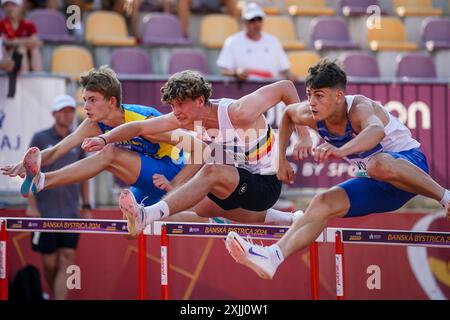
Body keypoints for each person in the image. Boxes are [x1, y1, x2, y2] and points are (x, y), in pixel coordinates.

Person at [223, 59, 450, 280]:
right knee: (322, 202)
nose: (311, 102)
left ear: (339, 96)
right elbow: (288, 114)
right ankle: (272, 257)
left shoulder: (359, 107)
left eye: (319, 96)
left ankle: (446, 197)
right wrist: (281, 158)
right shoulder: (311, 114)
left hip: (410, 166)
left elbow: (376, 131)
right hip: (380, 185)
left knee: (377, 163)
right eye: (309, 93)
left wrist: (342, 150)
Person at [82, 70, 307, 236]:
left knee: (211, 171)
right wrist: (104, 138)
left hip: (268, 182)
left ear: (200, 100)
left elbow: (286, 86)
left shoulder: (239, 112)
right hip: (244, 184)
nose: (175, 112)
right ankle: (288, 219)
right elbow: (139, 128)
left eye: (181, 104)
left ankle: (147, 215)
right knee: (202, 206)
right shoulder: (188, 118)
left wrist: (303, 137)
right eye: (172, 106)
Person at [0, 66, 207, 224]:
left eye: (92, 100)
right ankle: (209, 218)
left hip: (170, 170)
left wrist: (176, 185)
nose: (86, 106)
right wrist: (24, 165)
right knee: (130, 227)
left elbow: (200, 148)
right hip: (148, 177)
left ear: (111, 101)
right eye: (84, 100)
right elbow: (56, 151)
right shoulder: (93, 123)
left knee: (109, 154)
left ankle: (43, 181)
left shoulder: (143, 121)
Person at [26, 94, 91, 300]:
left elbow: (85, 175)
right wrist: (32, 205)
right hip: (45, 212)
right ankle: (55, 295)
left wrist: (87, 205)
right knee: (50, 263)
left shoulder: (77, 140)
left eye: (71, 111)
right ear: (54, 114)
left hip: (71, 213)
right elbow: (29, 172)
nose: (68, 115)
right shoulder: (40, 138)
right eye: (63, 111)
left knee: (67, 258)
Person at [217, 2, 296, 82]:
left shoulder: (274, 42)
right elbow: (224, 70)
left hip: (271, 89)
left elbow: (285, 70)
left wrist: (289, 75)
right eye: (252, 20)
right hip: (243, 90)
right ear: (244, 21)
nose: (256, 23)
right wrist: (235, 73)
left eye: (259, 19)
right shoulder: (232, 42)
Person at [0, 0, 42, 73]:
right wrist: (24, 42)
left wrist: (17, 41)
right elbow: (4, 42)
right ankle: (24, 75)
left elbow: (37, 42)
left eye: (13, 5)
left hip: (27, 56)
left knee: (34, 49)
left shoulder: (28, 24)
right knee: (21, 49)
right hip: (8, 57)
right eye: (6, 5)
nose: (10, 8)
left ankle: (38, 75)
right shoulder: (1, 24)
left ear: (20, 7)